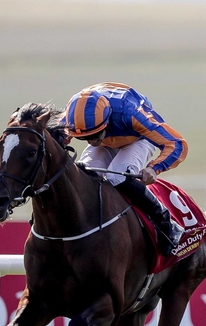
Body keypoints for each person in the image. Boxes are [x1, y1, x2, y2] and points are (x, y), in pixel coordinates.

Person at [60, 82, 186, 255]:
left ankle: (165, 222)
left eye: (94, 135)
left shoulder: (130, 113)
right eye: (85, 138)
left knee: (117, 176)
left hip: (138, 139)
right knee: (86, 176)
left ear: (107, 120)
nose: (90, 142)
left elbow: (177, 143)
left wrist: (154, 168)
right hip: (108, 137)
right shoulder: (72, 118)